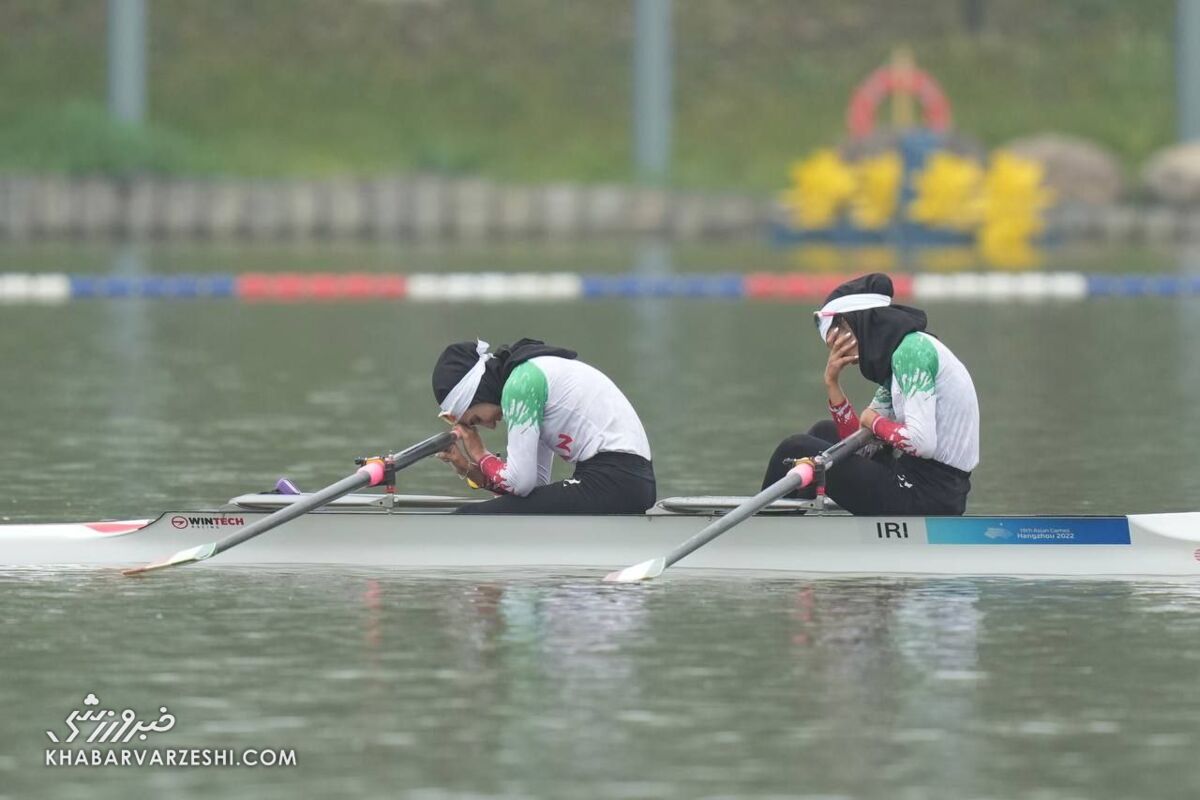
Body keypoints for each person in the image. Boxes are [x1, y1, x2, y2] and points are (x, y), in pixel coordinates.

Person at [761, 273, 979, 515]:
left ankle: (761, 533)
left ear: (862, 322)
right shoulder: (898, 361)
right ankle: (787, 526)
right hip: (918, 479)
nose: (836, 345)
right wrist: (832, 383)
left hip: (927, 494)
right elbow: (856, 445)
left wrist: (873, 421)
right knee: (823, 432)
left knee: (795, 448)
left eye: (841, 332)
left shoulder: (912, 354)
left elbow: (921, 443)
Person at [432, 338, 656, 514]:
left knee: (470, 515)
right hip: (626, 481)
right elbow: (532, 486)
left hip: (614, 480)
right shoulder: (527, 377)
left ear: (477, 393)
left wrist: (480, 454)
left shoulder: (522, 385)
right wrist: (468, 469)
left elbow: (520, 483)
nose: (489, 426)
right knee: (504, 509)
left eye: (476, 420)